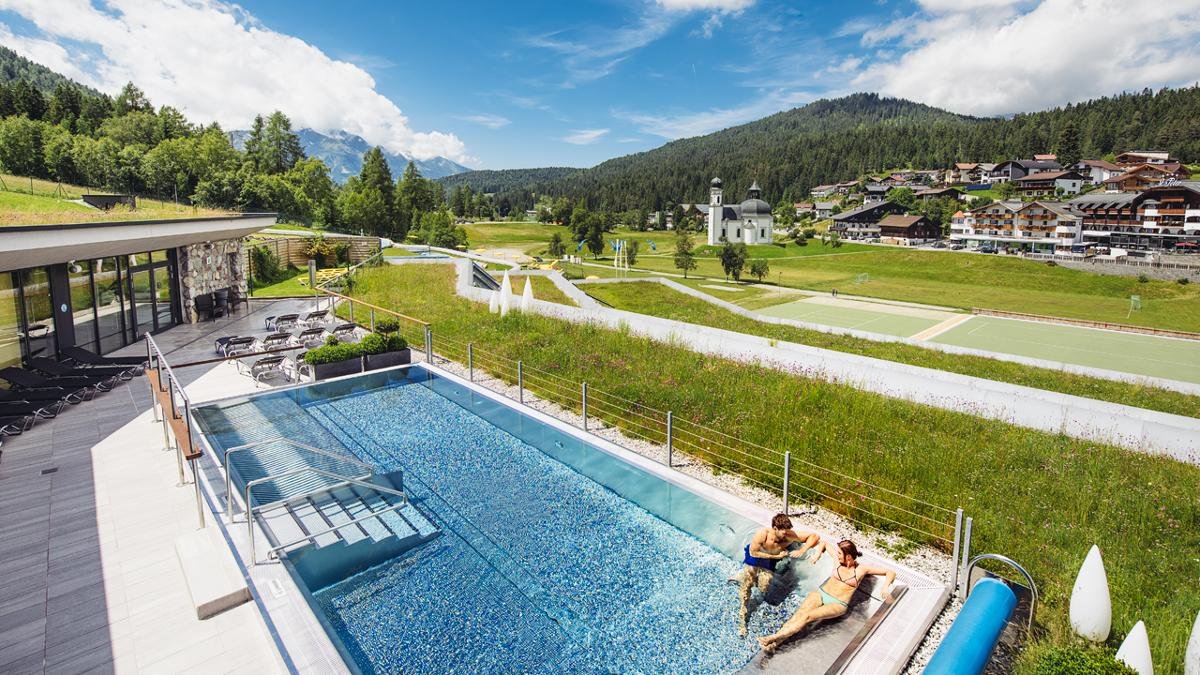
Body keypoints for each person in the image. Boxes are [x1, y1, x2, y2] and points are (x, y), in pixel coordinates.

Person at [757, 539, 895, 653]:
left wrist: (885, 586)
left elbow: (890, 572)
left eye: (840, 553)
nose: (838, 555)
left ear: (848, 556)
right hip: (821, 593)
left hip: (837, 603)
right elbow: (823, 543)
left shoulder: (862, 569)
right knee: (798, 615)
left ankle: (774, 637)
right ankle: (775, 643)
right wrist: (817, 554)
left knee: (808, 617)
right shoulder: (837, 560)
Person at [738, 513, 822, 636]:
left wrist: (802, 550)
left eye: (787, 531)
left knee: (764, 586)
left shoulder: (789, 535)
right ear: (775, 528)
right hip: (755, 558)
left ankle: (752, 584)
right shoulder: (763, 534)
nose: (786, 534)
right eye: (783, 531)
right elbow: (753, 552)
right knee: (747, 588)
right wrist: (776, 556)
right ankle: (742, 620)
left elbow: (814, 536)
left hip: (768, 562)